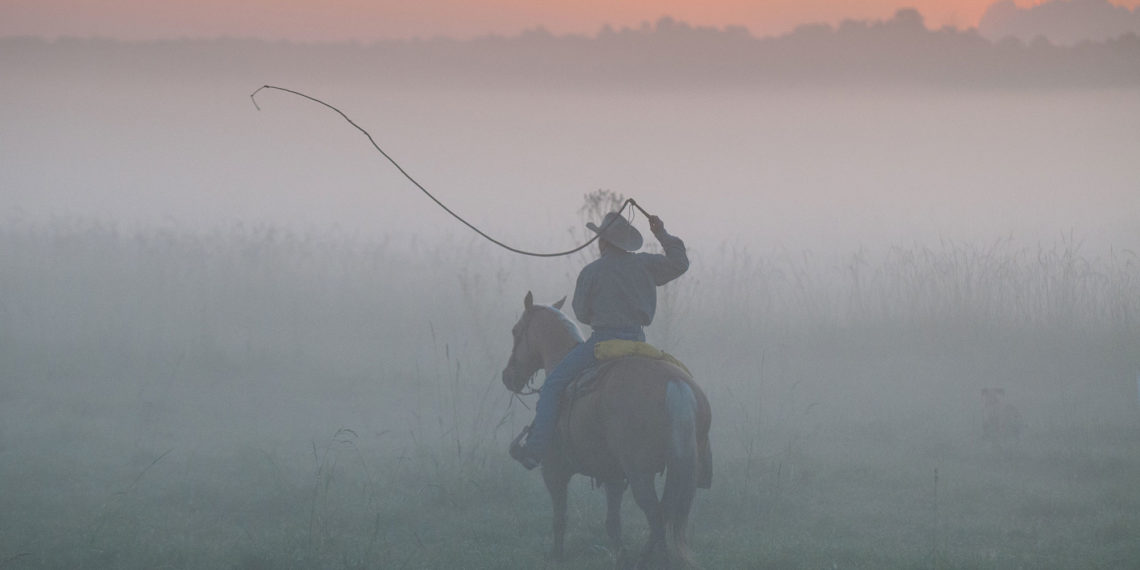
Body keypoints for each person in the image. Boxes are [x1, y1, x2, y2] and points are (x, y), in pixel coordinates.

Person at [511, 211, 690, 470]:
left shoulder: (591, 272)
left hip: (602, 344)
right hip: (639, 343)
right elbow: (680, 263)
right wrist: (661, 233)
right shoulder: (646, 264)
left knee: (553, 385)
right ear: (626, 243)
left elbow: (582, 313)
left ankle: (536, 449)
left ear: (603, 242)